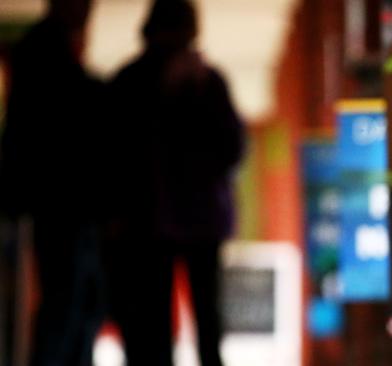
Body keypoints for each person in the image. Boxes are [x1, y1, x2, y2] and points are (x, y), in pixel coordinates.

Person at [105, 0, 244, 365]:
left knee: (166, 322)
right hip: (157, 220)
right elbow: (232, 149)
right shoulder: (192, 82)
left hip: (161, 220)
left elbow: (231, 148)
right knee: (167, 322)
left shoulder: (200, 83)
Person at [0, 0, 106, 364]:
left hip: (65, 199)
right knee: (67, 306)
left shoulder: (48, 47)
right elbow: (57, 117)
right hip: (61, 199)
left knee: (78, 306)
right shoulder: (43, 49)